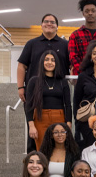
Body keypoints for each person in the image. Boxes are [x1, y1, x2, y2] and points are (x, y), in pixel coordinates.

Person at [18, 13, 69, 152]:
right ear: (41, 25)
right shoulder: (31, 44)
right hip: (34, 94)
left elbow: (72, 66)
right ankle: (33, 164)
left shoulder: (65, 45)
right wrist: (20, 87)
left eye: (52, 22)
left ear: (57, 26)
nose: (49, 24)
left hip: (58, 95)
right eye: (46, 21)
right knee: (33, 135)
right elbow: (21, 66)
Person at [25, 51, 72, 152]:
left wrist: (68, 124)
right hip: (41, 118)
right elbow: (29, 104)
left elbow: (68, 104)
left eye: (52, 60)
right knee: (42, 150)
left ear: (56, 63)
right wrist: (31, 125)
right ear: (42, 62)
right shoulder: (34, 81)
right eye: (46, 60)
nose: (49, 62)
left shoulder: (62, 81)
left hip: (59, 117)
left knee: (59, 149)